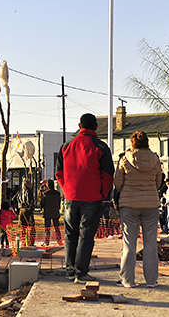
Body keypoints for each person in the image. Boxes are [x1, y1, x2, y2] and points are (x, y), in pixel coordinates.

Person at [56, 113, 114, 284]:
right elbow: (108, 175)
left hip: (70, 197)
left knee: (70, 234)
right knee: (86, 235)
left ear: (79, 125)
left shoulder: (66, 146)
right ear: (96, 127)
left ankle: (70, 270)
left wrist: (67, 189)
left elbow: (59, 173)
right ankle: (81, 273)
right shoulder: (101, 147)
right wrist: (102, 193)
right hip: (92, 197)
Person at [113, 130, 161, 289]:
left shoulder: (124, 159)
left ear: (132, 143)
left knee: (129, 243)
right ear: (147, 142)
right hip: (151, 204)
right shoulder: (155, 159)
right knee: (150, 243)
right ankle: (151, 281)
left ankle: (127, 280)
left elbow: (118, 183)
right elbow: (158, 182)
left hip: (129, 204)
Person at [40, 179, 62, 246]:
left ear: (48, 185)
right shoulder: (57, 193)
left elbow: (42, 203)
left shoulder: (45, 194)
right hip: (55, 212)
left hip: (47, 213)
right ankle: (59, 240)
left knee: (47, 228)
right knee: (57, 227)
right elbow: (59, 203)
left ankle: (47, 241)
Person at [16, 178, 36, 246]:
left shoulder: (20, 191)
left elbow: (14, 199)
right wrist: (31, 207)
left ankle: (23, 242)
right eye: (30, 183)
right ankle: (31, 242)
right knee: (31, 226)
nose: (31, 185)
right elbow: (30, 201)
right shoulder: (29, 191)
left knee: (22, 227)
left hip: (21, 210)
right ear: (27, 184)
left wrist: (18, 206)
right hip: (27, 210)